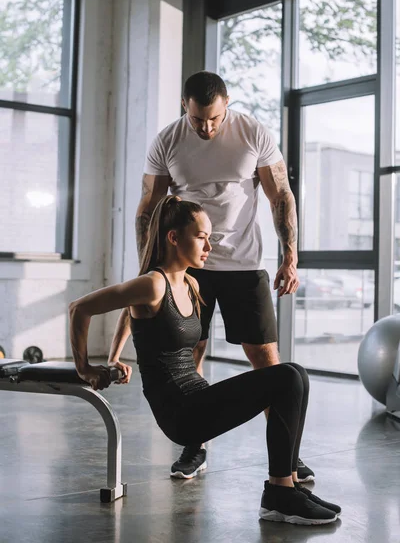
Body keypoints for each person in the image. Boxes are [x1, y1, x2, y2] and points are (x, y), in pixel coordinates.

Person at [69, 196, 341, 525]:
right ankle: (279, 495)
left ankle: (289, 487)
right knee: (285, 377)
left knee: (295, 373)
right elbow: (80, 309)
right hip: (180, 412)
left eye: (210, 237)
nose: (209, 246)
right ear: (173, 237)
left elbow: (131, 313)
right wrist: (86, 367)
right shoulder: (153, 284)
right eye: (201, 237)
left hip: (198, 398)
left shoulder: (190, 283)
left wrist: (114, 357)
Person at [113, 70, 314, 482]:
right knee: (190, 354)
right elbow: (148, 207)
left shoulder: (252, 132)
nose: (206, 127)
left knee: (266, 360)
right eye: (197, 119)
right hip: (190, 267)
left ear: (227, 106)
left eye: (214, 119)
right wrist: (151, 266)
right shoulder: (168, 141)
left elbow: (280, 195)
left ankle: (288, 456)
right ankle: (195, 446)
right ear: (184, 107)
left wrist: (290, 255)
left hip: (244, 264)